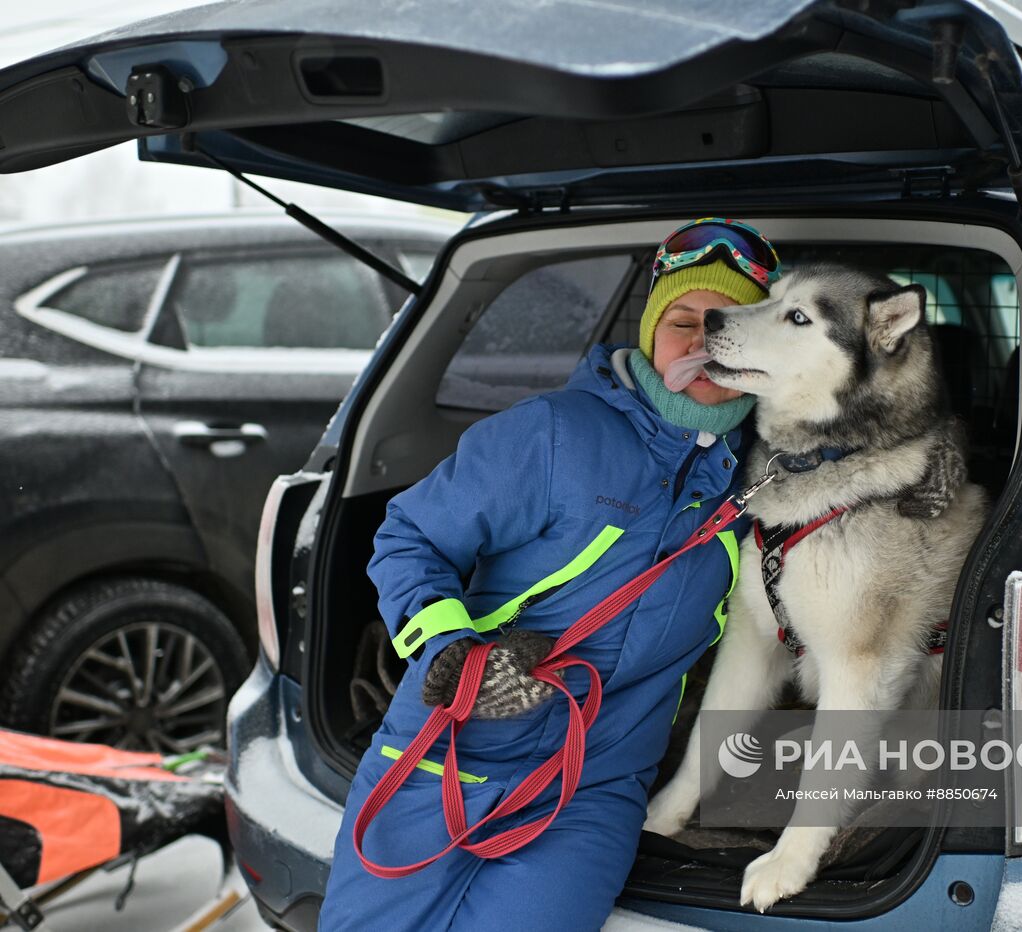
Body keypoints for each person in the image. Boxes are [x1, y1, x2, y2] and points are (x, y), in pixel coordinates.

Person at [320, 219, 782, 930]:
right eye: (681, 321)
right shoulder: (553, 432)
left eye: (722, 325)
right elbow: (408, 535)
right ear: (653, 330)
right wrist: (449, 649)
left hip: (589, 794)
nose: (697, 342)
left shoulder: (768, 481)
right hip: (445, 753)